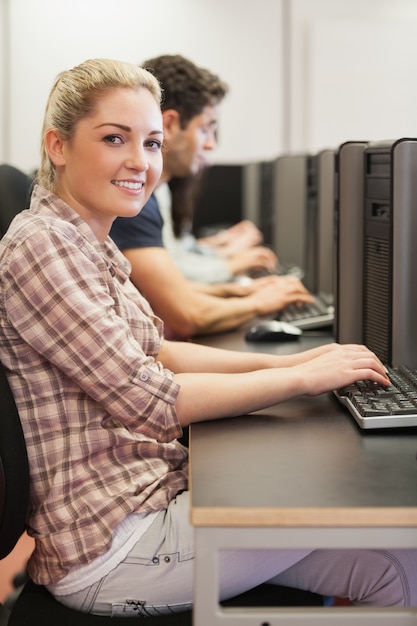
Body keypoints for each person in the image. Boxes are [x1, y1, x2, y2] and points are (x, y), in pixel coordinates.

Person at [0, 58, 415, 618]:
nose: (139, 162)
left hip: (143, 504)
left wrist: (307, 361)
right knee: (370, 525)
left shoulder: (85, 241)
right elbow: (149, 398)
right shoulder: (44, 246)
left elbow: (162, 352)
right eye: (114, 139)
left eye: (150, 143)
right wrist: (296, 379)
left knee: (394, 569)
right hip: (114, 544)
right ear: (58, 145)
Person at [110, 54, 311, 339]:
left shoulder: (149, 192)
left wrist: (240, 290)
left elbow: (171, 284)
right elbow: (184, 314)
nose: (211, 144)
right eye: (206, 128)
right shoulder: (131, 199)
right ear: (169, 124)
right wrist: (255, 299)